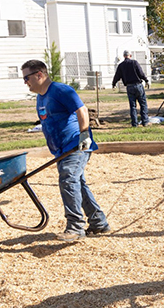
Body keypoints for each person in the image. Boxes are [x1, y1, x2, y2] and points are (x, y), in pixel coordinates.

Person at [22, 60, 110, 242]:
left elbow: (81, 109)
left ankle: (76, 227)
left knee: (68, 178)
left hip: (76, 145)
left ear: (39, 75)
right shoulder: (41, 97)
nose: (25, 82)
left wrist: (84, 134)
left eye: (26, 77)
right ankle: (99, 223)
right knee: (77, 183)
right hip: (61, 150)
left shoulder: (61, 90)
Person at [112, 50, 150, 127]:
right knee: (143, 104)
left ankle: (134, 123)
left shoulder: (121, 65)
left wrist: (114, 84)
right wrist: (146, 80)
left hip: (129, 86)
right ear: (130, 55)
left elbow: (117, 76)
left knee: (133, 106)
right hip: (138, 85)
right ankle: (145, 122)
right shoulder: (134, 62)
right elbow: (140, 73)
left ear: (123, 56)